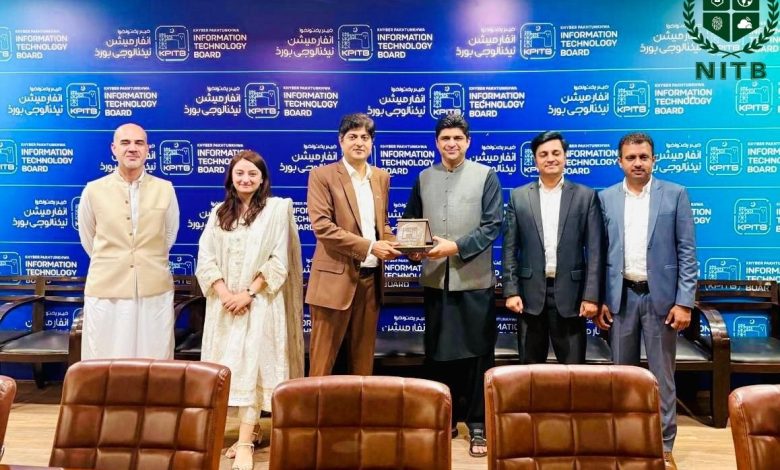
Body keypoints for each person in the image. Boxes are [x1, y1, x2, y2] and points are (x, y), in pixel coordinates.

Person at [196, 150, 304, 470]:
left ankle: (244, 442)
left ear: (262, 179)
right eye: (240, 173)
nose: (246, 179)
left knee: (255, 369)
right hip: (224, 307)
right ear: (231, 178)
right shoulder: (218, 213)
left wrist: (248, 294)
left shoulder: (275, 211)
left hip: (259, 304)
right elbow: (206, 258)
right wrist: (225, 293)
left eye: (252, 174)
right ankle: (251, 430)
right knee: (231, 370)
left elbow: (278, 261)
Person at [596, 132, 697, 470]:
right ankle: (624, 442)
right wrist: (601, 298)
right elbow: (599, 253)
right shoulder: (606, 198)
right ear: (619, 162)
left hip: (662, 300)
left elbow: (687, 251)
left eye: (643, 157)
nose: (637, 163)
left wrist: (684, 302)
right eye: (631, 157)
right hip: (621, 298)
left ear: (654, 159)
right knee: (621, 376)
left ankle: (664, 446)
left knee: (662, 377)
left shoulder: (675, 194)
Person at [403, 113, 502, 458]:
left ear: (468, 142)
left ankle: (478, 425)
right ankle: (445, 419)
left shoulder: (486, 175)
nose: (451, 144)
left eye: (458, 138)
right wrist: (413, 249)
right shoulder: (423, 177)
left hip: (474, 280)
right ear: (437, 142)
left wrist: (456, 247)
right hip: (436, 281)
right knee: (439, 355)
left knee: (478, 355)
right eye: (445, 138)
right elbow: (412, 222)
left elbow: (492, 225)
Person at [306, 113, 400, 376]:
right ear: (341, 140)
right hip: (334, 281)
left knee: (362, 365)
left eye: (365, 137)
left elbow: (381, 226)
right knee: (322, 364)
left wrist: (405, 246)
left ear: (372, 143)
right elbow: (323, 228)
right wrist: (371, 247)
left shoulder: (381, 176)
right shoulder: (322, 175)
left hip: (370, 282)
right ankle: (316, 406)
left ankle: (360, 405)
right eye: (353, 137)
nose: (359, 142)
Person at [78, 123, 179, 360]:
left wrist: (144, 260)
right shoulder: (93, 190)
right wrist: (116, 260)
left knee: (154, 356)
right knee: (105, 356)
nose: (132, 148)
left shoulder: (165, 189)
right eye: (125, 143)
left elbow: (169, 235)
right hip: (107, 289)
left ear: (147, 150)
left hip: (153, 289)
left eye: (139, 143)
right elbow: (88, 237)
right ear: (114, 149)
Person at [502, 131, 603, 364]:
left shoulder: (585, 196)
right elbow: (509, 249)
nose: (550, 158)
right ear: (535, 160)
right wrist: (511, 291)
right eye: (543, 154)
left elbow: (595, 251)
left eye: (556, 153)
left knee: (573, 374)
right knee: (530, 373)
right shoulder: (519, 196)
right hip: (529, 297)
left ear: (565, 157)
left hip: (572, 297)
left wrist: (591, 297)